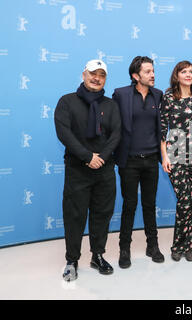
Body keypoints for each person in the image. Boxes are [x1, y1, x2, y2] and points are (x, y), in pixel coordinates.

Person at [54, 59, 121, 281]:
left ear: (105, 79)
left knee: (102, 215)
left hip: (104, 169)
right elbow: (64, 133)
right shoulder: (67, 102)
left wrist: (100, 158)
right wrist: (87, 156)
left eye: (101, 75)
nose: (97, 78)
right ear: (84, 74)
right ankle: (72, 260)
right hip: (78, 169)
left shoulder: (111, 105)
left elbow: (116, 135)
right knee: (75, 216)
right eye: (93, 73)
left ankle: (97, 256)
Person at [112, 56, 164, 269]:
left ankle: (153, 245)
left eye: (153, 70)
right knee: (129, 205)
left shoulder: (159, 95)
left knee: (150, 205)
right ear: (136, 76)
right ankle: (125, 249)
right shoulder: (121, 94)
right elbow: (111, 123)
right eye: (148, 71)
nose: (152, 75)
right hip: (129, 161)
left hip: (151, 160)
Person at [160, 61, 192, 262]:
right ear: (176, 75)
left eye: (191, 72)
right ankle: (177, 244)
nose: (188, 75)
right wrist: (164, 156)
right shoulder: (168, 97)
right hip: (175, 153)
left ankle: (189, 244)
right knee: (185, 200)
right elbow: (162, 130)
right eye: (184, 71)